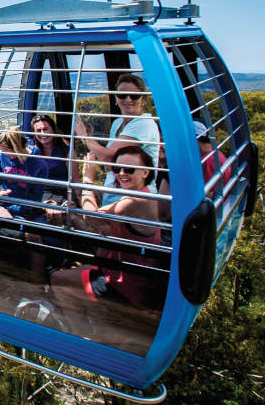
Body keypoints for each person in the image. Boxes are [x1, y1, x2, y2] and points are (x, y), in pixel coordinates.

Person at [47, 146, 165, 342]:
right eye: (117, 169)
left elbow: (91, 216)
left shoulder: (134, 202)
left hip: (125, 285)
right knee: (79, 266)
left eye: (129, 169)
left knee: (59, 279)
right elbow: (106, 228)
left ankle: (81, 337)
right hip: (128, 273)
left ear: (146, 172)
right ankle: (96, 325)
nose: (122, 174)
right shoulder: (146, 195)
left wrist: (87, 178)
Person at [74, 73, 160, 206]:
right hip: (115, 194)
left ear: (143, 99)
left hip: (134, 197)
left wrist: (83, 136)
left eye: (134, 96)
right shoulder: (118, 123)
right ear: (115, 97)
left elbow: (107, 156)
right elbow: (110, 163)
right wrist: (89, 139)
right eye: (122, 95)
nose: (128, 99)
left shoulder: (144, 123)